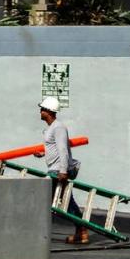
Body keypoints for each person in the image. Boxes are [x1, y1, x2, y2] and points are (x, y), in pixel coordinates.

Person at [35, 96, 89, 244]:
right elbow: (54, 148)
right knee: (66, 201)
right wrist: (43, 154)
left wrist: (63, 170)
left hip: (58, 170)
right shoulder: (51, 128)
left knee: (53, 200)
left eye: (42, 109)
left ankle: (81, 230)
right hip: (55, 169)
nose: (40, 111)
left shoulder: (58, 127)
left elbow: (63, 150)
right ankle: (82, 231)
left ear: (48, 111)